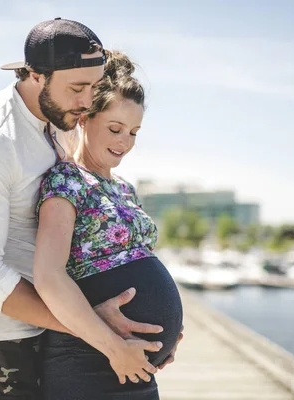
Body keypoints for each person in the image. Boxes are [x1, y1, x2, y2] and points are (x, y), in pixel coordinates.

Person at [0, 18, 167, 400]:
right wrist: (96, 329)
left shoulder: (61, 116)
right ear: (35, 76)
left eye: (94, 87)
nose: (86, 101)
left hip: (52, 325)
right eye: (77, 88)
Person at [34, 50, 184, 400]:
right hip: (91, 361)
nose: (125, 142)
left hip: (138, 365)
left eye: (134, 132)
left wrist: (167, 335)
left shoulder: (125, 188)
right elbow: (49, 276)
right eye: (115, 128)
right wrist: (115, 347)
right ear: (85, 119)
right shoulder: (66, 181)